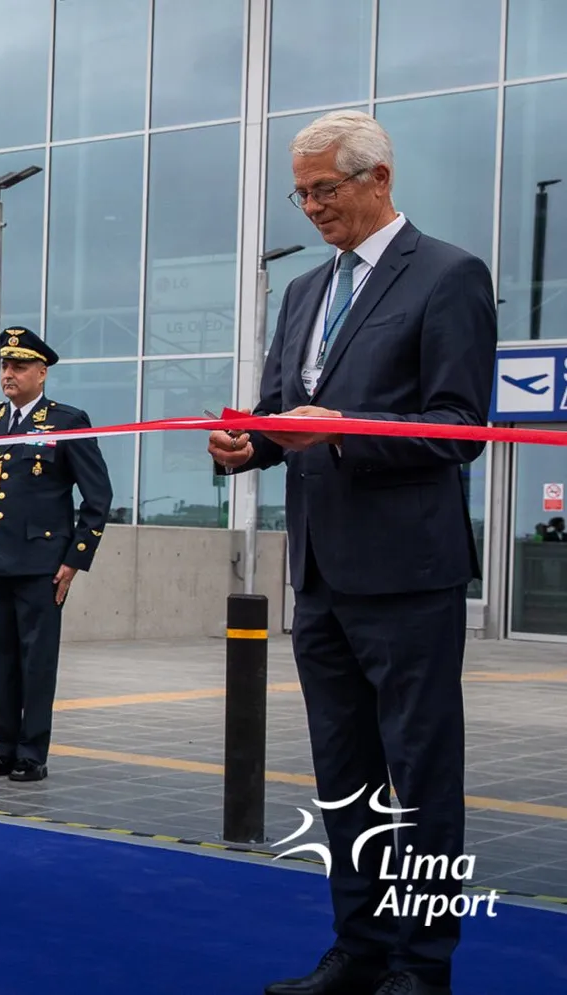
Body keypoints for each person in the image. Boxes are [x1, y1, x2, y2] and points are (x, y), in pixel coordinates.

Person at [208, 111, 492, 995]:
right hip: (320, 572)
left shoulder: (447, 275)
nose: (310, 208)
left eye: (323, 189)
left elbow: (459, 429)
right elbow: (278, 413)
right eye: (300, 193)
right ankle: (359, 948)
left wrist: (343, 435)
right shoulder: (304, 294)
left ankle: (423, 963)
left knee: (420, 777)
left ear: (378, 179)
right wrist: (245, 446)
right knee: (345, 775)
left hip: (409, 572)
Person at [0, 329, 112, 784]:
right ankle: (4, 747)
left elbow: (98, 496)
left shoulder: (66, 421)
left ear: (41, 372)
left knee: (36, 660)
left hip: (41, 565)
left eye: (20, 366)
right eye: (5, 366)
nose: (9, 374)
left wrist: (74, 559)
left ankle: (32, 752)